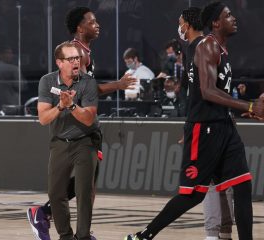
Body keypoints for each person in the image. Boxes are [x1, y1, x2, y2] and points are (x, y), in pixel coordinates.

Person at [124, 2, 264, 240]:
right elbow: (208, 91)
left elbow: (206, 93)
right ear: (216, 22)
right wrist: (249, 105)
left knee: (242, 185)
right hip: (206, 128)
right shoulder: (206, 46)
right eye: (228, 15)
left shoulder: (217, 48)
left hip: (223, 126)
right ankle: (144, 235)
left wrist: (246, 108)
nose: (235, 18)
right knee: (193, 195)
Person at [26, 7, 135, 240]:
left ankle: (66, 224)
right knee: (86, 188)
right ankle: (48, 215)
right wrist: (118, 85)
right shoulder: (79, 52)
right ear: (79, 27)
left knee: (87, 185)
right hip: (78, 128)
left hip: (84, 125)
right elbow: (88, 88)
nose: (97, 25)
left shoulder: (83, 50)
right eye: (92, 22)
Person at [180, 7, 234, 240]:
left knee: (210, 182)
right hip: (212, 120)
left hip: (210, 123)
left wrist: (194, 123)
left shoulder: (203, 46)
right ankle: (223, 232)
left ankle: (214, 234)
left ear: (188, 24)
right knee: (223, 181)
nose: (179, 27)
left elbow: (204, 92)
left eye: (181, 23)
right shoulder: (205, 46)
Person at [37, 41, 100, 240]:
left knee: (83, 193)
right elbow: (43, 119)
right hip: (59, 142)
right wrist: (61, 107)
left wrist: (72, 106)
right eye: (70, 58)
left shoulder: (88, 82)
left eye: (77, 58)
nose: (76, 62)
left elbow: (89, 118)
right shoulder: (47, 82)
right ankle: (65, 236)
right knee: (55, 194)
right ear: (59, 63)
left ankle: (83, 237)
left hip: (85, 142)